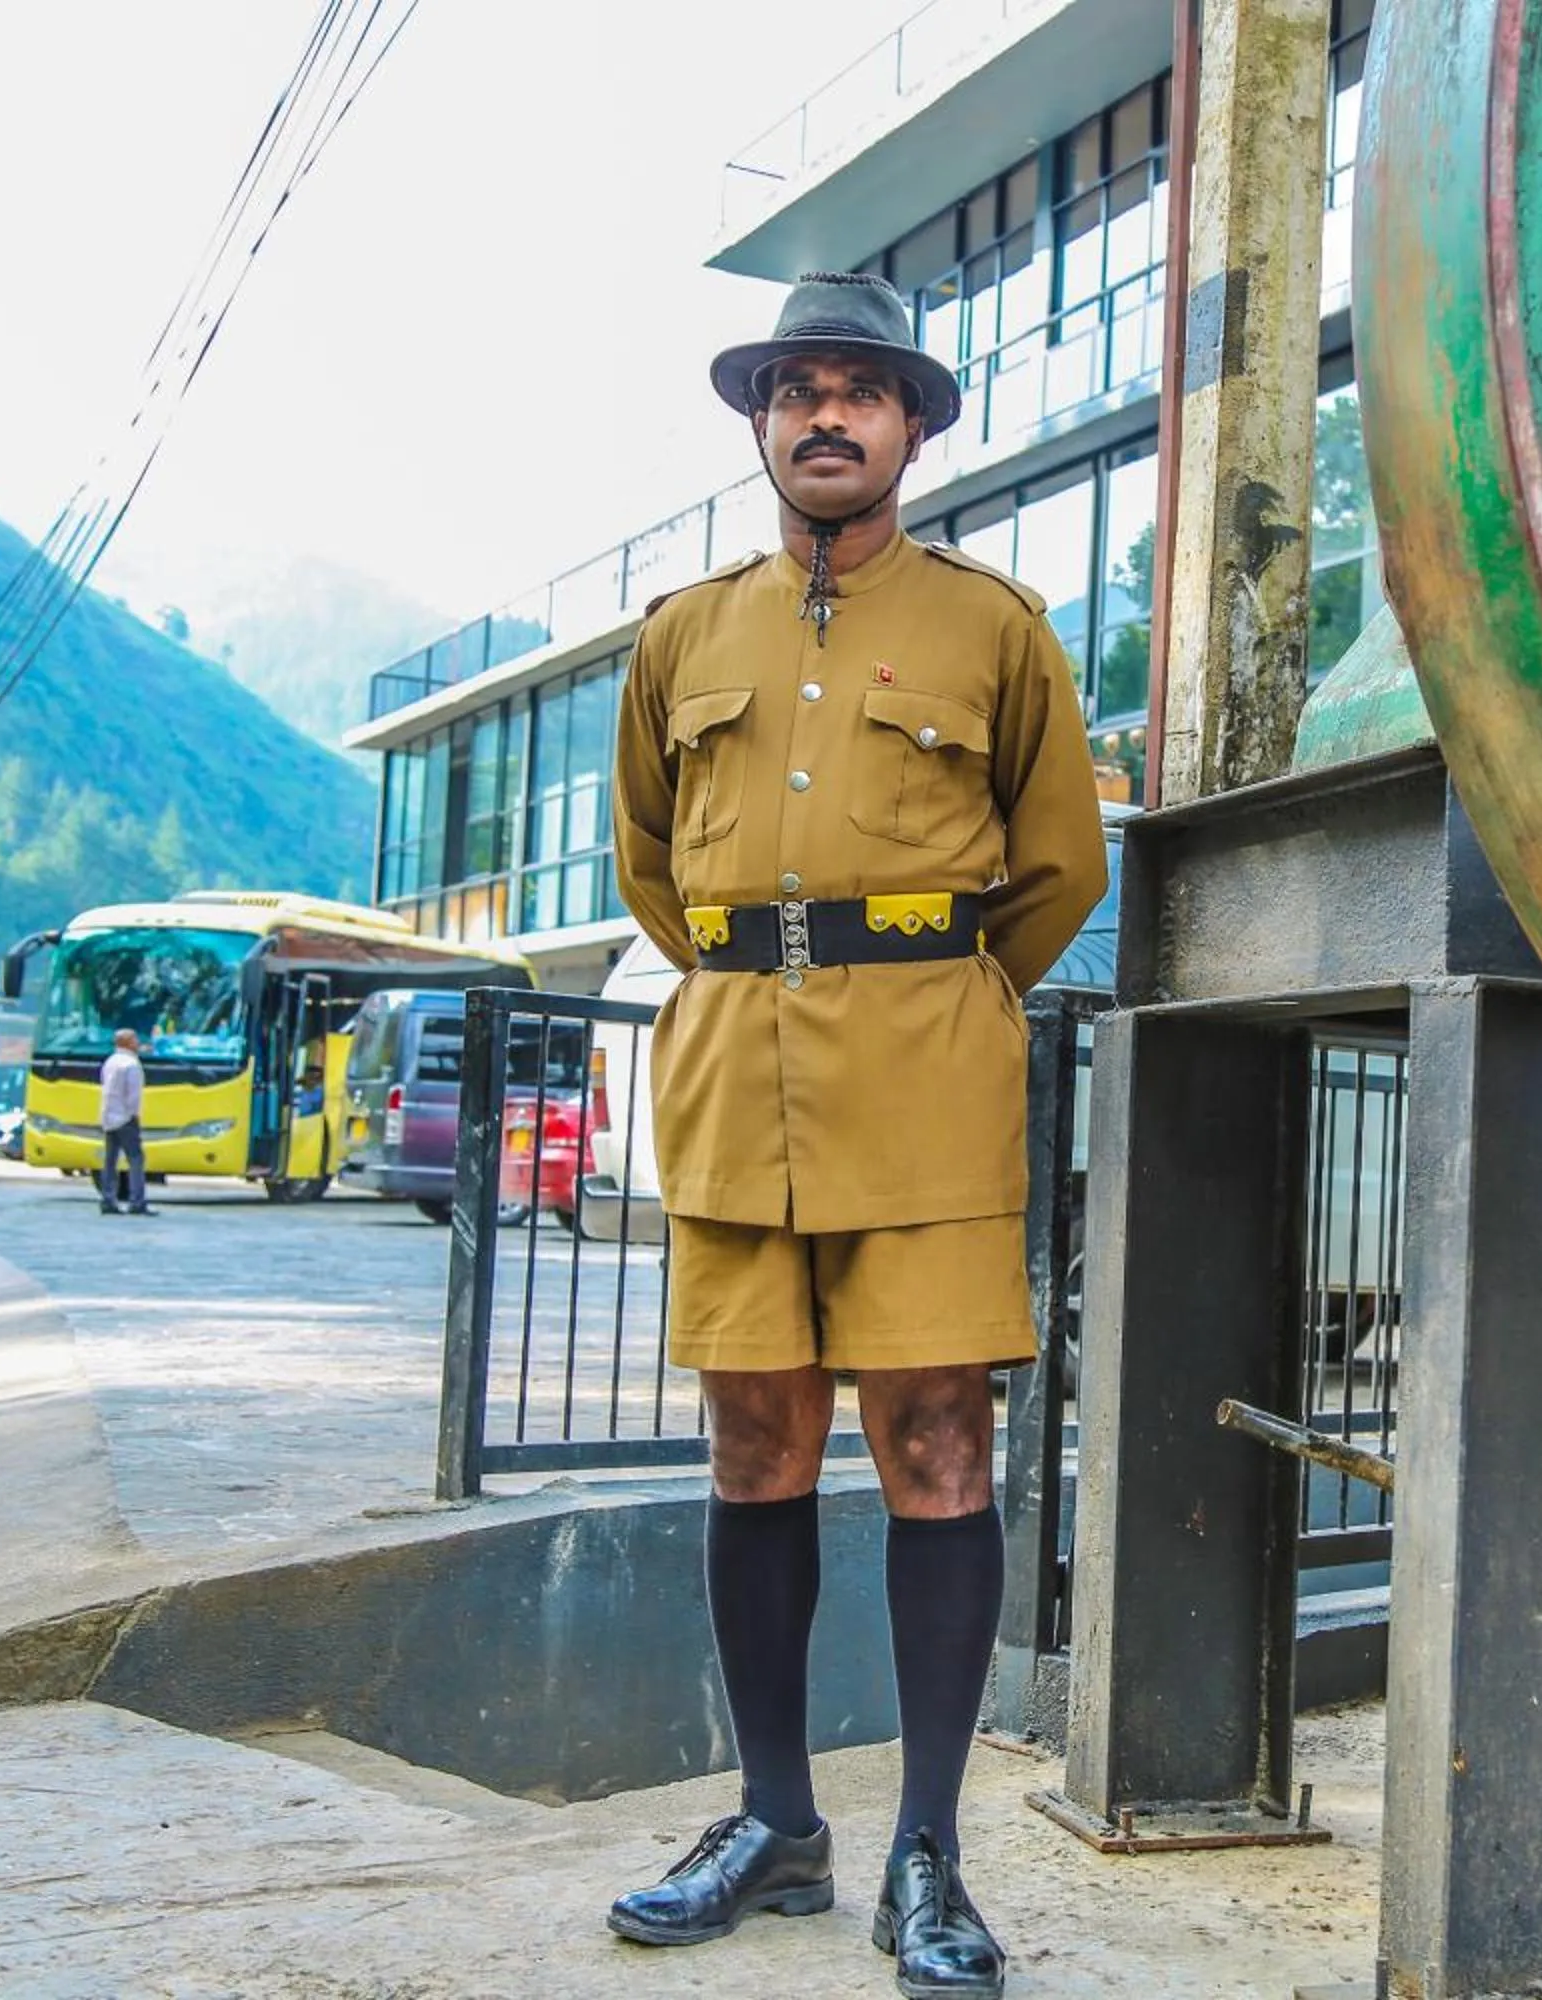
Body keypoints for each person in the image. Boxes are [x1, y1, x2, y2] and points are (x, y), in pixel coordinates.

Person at [603, 272, 1107, 1999]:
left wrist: (927, 998)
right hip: (738, 1069)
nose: (828, 414)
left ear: (913, 425)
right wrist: (774, 984)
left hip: (927, 1079)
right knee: (753, 1443)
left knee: (935, 1447)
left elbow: (1056, 874)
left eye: (862, 390)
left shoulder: (997, 628)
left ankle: (927, 1860)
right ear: (762, 423)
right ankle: (773, 1823)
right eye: (798, 388)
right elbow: (652, 868)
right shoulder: (680, 636)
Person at [98, 1028, 151, 1216]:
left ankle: (108, 1199)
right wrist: (134, 1115)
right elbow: (133, 1095)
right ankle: (137, 1202)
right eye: (135, 1039)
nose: (137, 1043)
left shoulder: (110, 1062)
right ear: (128, 1042)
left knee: (110, 1160)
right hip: (126, 1118)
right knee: (136, 1159)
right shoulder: (132, 1064)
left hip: (108, 1117)